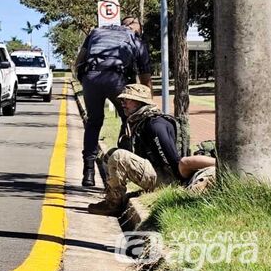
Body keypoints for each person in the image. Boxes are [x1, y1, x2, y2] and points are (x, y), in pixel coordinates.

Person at [87, 84, 216, 216]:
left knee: (119, 156)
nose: (123, 104)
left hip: (170, 178)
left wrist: (171, 185)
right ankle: (113, 197)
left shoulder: (155, 125)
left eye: (127, 100)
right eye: (122, 100)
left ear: (139, 102)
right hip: (159, 172)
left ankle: (113, 205)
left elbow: (174, 163)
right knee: (110, 155)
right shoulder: (138, 121)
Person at [75, 16, 152, 187]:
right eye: (140, 28)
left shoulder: (96, 31)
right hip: (116, 78)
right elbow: (146, 78)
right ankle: (121, 166)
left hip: (91, 77)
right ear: (134, 26)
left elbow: (79, 61)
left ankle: (88, 173)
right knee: (129, 120)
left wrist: (86, 81)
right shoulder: (134, 38)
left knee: (94, 122)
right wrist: (148, 105)